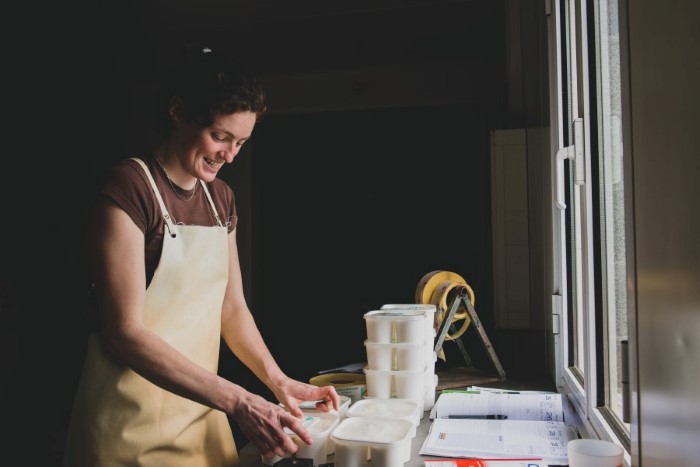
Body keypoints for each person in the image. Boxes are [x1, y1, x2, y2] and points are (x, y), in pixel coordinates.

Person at [63, 45, 339, 466]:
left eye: (241, 142)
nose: (229, 155)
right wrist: (240, 401)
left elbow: (232, 308)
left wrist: (277, 380)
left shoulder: (220, 199)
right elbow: (125, 333)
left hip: (203, 419)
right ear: (177, 112)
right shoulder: (130, 189)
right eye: (220, 136)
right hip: (128, 433)